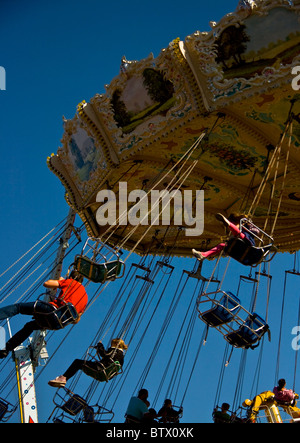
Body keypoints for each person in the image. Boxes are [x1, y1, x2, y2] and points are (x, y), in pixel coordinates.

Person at [0, 271, 88, 359]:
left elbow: (47, 284)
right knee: (30, 326)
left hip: (51, 310)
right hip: (57, 324)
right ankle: (6, 349)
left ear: (71, 277)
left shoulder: (71, 282)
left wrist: (62, 280)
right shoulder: (85, 298)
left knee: (18, 307)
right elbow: (76, 320)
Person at [48, 338, 128, 387]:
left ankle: (63, 378)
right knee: (81, 364)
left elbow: (105, 354)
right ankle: (64, 378)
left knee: (77, 362)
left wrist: (100, 345)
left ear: (116, 344)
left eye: (112, 344)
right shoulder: (121, 357)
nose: (110, 346)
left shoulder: (115, 350)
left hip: (100, 369)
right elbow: (109, 360)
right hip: (105, 376)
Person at [192, 213, 260, 261]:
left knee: (238, 234)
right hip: (240, 248)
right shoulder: (239, 231)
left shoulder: (246, 226)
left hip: (248, 244)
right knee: (222, 245)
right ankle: (203, 255)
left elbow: (256, 231)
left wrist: (246, 227)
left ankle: (228, 223)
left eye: (234, 224)